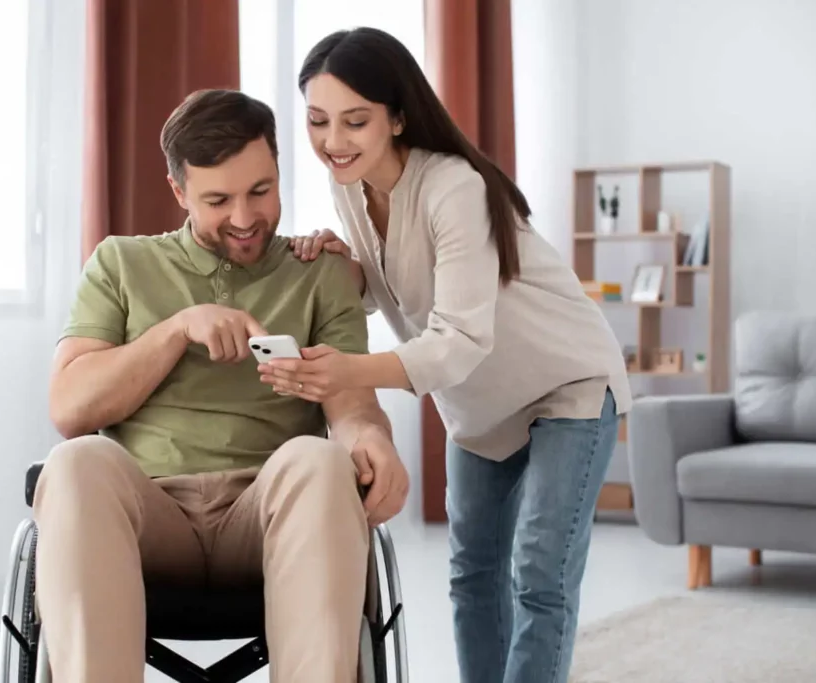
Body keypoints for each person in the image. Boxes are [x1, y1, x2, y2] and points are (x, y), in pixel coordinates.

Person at [258, 27, 633, 683]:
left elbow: (459, 338)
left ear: (397, 117)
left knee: (540, 571)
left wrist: (347, 370)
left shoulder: (452, 187)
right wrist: (341, 267)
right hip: (480, 405)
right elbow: (395, 286)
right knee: (473, 572)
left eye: (355, 121)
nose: (333, 141)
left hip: (565, 382)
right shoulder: (350, 187)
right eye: (318, 121)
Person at [38, 88, 409, 683]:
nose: (244, 218)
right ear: (179, 192)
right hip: (148, 516)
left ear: (280, 173)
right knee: (77, 461)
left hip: (269, 517)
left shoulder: (321, 274)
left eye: (261, 191)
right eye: (218, 200)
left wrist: (372, 439)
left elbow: (353, 409)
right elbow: (70, 406)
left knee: (319, 460)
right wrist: (176, 330)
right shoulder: (120, 264)